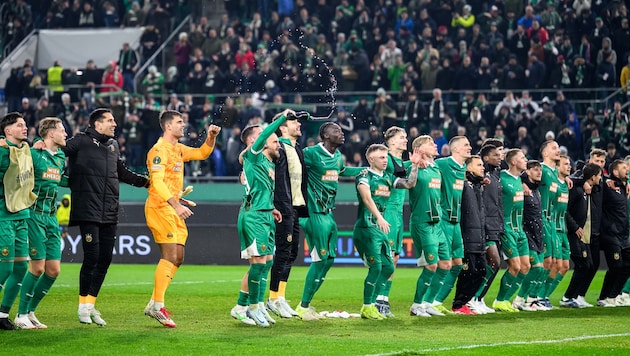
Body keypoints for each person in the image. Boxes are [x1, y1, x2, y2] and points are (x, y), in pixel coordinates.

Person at [64, 108, 149, 326]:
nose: (115, 124)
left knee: (105, 259)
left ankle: (90, 305)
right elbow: (58, 149)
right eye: (110, 120)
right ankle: (82, 306)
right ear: (97, 124)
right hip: (88, 210)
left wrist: (147, 182)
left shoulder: (113, 146)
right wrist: (39, 144)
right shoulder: (80, 141)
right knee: (92, 257)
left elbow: (122, 172)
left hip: (110, 210)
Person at [143, 111, 220, 328]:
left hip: (172, 209)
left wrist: (211, 137)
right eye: (179, 122)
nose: (183, 125)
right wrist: (176, 205)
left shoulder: (178, 149)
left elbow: (202, 153)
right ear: (168, 126)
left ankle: (154, 302)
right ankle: (157, 306)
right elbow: (156, 182)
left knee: (178, 257)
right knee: (170, 254)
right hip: (160, 207)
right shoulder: (159, 150)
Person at [296, 122, 364, 321]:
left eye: (342, 131)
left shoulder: (337, 157)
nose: (342, 134)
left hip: (328, 213)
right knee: (321, 259)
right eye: (337, 131)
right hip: (313, 212)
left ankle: (305, 304)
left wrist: (366, 170)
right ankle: (303, 306)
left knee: (329, 260)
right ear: (325, 135)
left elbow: (343, 172)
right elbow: (290, 163)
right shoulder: (310, 153)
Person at [234, 110, 292, 327]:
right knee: (258, 264)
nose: (278, 144)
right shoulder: (255, 154)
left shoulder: (268, 163)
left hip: (265, 214)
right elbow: (259, 140)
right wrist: (281, 119)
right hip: (254, 217)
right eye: (275, 140)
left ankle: (251, 306)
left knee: (266, 263)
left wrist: (271, 209)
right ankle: (252, 306)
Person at [353, 143, 420, 320]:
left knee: (389, 266)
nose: (385, 160)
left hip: (379, 229)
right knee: (376, 267)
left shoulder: (388, 178)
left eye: (386, 157)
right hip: (367, 227)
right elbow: (366, 198)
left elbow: (409, 184)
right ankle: (367, 306)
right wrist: (380, 217)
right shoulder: (364, 176)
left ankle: (373, 304)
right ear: (371, 159)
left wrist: (414, 165)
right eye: (381, 157)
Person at [14, 118, 67, 329]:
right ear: (51, 134)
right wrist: (34, 141)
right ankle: (20, 315)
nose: (65, 134)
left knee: (53, 270)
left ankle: (31, 311)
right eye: (62, 130)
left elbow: (61, 179)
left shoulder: (61, 157)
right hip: (34, 215)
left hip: (51, 217)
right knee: (37, 268)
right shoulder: (34, 154)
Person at [266, 113, 307, 319]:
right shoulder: (278, 148)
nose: (298, 124)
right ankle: (273, 298)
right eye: (293, 121)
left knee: (291, 253)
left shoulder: (295, 148)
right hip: (284, 207)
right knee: (283, 252)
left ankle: (280, 297)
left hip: (296, 207)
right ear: (282, 127)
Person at [408, 135, 451, 317]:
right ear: (419, 149)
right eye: (430, 144)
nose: (435, 145)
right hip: (422, 222)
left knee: (445, 264)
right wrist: (415, 165)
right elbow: (406, 179)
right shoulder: (413, 166)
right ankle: (416, 305)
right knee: (431, 266)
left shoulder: (436, 169)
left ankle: (427, 303)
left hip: (437, 224)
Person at [0, 112, 36, 330]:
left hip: (22, 214)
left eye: (25, 124)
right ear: (7, 130)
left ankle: (3, 314)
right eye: (19, 125)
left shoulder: (26, 150)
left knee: (21, 267)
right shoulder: (2, 152)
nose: (25, 128)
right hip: (3, 214)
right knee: (4, 268)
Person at [432, 136, 473, 314]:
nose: (470, 147)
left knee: (457, 264)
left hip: (456, 223)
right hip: (444, 221)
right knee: (444, 263)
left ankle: (437, 301)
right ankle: (428, 301)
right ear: (455, 149)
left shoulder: (462, 167)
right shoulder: (443, 164)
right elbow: (424, 166)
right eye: (466, 145)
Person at [374, 126, 412, 317]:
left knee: (395, 258)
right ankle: (376, 299)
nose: (406, 140)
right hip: (387, 211)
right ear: (391, 141)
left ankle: (383, 299)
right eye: (402, 137)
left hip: (398, 213)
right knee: (387, 259)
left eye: (406, 137)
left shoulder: (400, 162)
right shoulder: (386, 159)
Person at [493, 148, 530, 312]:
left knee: (526, 267)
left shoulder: (520, 180)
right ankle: (499, 300)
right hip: (507, 228)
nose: (526, 160)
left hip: (520, 230)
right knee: (514, 266)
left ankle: (507, 299)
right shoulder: (501, 177)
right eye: (522, 158)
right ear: (513, 162)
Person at [470, 141, 505, 314]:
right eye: (496, 155)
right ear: (486, 158)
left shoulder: (496, 175)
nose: (500, 158)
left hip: (496, 225)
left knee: (494, 265)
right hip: (485, 226)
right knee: (493, 263)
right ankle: (472, 297)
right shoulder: (479, 177)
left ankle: (479, 298)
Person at [562, 163, 603, 307]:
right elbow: (565, 210)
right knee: (583, 264)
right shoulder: (576, 190)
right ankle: (568, 297)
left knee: (588, 265)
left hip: (582, 234)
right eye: (599, 176)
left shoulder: (588, 189)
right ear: (593, 177)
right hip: (574, 233)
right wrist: (575, 227)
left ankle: (574, 296)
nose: (601, 178)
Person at [451, 155, 486, 314]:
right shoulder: (463, 186)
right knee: (468, 271)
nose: (482, 168)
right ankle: (458, 304)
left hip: (478, 237)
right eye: (479, 165)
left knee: (481, 271)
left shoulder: (476, 188)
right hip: (467, 237)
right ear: (468, 168)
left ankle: (466, 301)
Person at [514, 160, 548, 311]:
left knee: (541, 269)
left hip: (538, 234)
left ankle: (530, 300)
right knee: (536, 268)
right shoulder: (523, 187)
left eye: (540, 170)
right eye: (535, 170)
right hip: (527, 233)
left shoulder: (535, 190)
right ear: (527, 172)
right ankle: (519, 299)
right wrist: (522, 182)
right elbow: (513, 177)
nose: (539, 172)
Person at [598, 160, 630, 306]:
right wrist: (607, 180)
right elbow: (595, 179)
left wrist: (624, 184)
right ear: (615, 172)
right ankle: (603, 297)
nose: (627, 170)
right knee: (616, 266)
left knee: (627, 266)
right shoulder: (606, 185)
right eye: (624, 168)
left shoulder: (622, 186)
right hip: (610, 234)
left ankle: (613, 296)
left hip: (623, 235)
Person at [542, 155, 571, 306]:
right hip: (553, 227)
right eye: (565, 164)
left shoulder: (566, 184)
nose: (569, 166)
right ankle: (540, 296)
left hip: (562, 229)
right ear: (558, 167)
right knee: (555, 264)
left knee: (565, 266)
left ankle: (544, 296)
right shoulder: (554, 183)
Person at [536, 140, 561, 308]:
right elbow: (526, 175)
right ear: (545, 153)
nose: (558, 151)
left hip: (551, 221)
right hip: (541, 219)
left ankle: (541, 296)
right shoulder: (542, 170)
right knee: (546, 261)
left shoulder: (553, 173)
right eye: (554, 148)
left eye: (558, 148)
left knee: (552, 262)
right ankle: (532, 296)